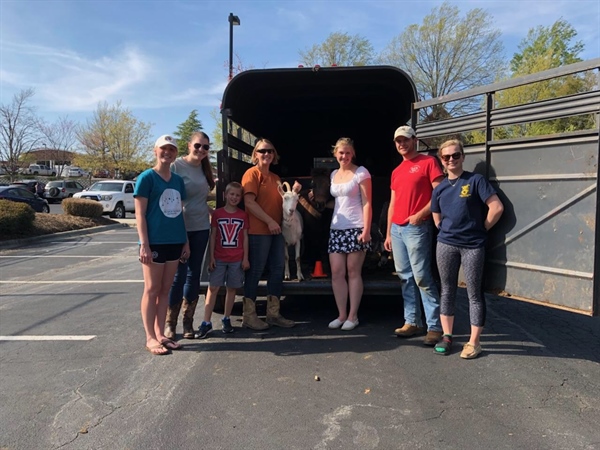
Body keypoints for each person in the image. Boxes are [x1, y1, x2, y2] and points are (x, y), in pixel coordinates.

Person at [430, 139, 504, 359]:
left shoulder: (476, 180)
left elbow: (496, 207)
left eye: (455, 155)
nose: (451, 160)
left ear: (462, 156)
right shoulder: (440, 187)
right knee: (447, 290)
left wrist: (482, 228)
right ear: (441, 160)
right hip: (446, 245)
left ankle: (473, 342)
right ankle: (447, 336)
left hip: (473, 246)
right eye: (446, 157)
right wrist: (442, 228)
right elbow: (436, 214)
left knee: (473, 293)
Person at [383, 126, 444, 346]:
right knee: (405, 277)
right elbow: (393, 203)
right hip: (398, 229)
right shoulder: (397, 170)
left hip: (417, 227)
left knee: (421, 276)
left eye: (406, 140)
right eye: (398, 141)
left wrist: (420, 214)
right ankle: (412, 321)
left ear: (414, 140)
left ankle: (435, 327)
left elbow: (439, 192)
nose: (402, 144)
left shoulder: (428, 163)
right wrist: (389, 232)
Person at [134, 135, 189, 355]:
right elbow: (140, 214)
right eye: (163, 149)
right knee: (151, 289)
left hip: (174, 241)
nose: (168, 153)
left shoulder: (177, 181)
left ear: (176, 154)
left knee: (165, 290)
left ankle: (160, 334)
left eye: (172, 150)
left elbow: (180, 214)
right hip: (154, 242)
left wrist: (185, 241)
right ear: (156, 151)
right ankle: (150, 337)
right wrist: (144, 244)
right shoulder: (147, 178)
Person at [165, 131, 215, 340]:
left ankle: (188, 322)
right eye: (197, 146)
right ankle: (170, 323)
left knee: (194, 275)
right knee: (179, 275)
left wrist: (212, 212)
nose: (201, 150)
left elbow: (202, 198)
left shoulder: (205, 169)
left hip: (201, 227)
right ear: (189, 145)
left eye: (205, 147)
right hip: (180, 228)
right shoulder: (176, 167)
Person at [241, 138, 295, 330]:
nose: (267, 154)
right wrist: (269, 221)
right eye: (262, 151)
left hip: (276, 232)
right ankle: (249, 316)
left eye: (270, 151)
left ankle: (273, 314)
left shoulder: (276, 178)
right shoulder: (251, 174)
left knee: (277, 270)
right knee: (255, 272)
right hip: (258, 232)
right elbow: (249, 203)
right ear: (255, 154)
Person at [327, 137, 372, 331]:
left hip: (356, 228)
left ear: (352, 153)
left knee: (353, 272)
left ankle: (353, 316)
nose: (344, 156)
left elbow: (367, 202)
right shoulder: (333, 174)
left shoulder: (361, 172)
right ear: (335, 154)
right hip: (336, 230)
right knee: (337, 272)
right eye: (340, 152)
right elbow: (338, 202)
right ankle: (341, 314)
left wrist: (367, 230)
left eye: (347, 152)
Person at [197, 182, 250, 338]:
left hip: (236, 258)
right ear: (225, 195)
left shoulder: (243, 215)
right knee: (213, 288)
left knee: (232, 288)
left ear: (241, 198)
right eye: (231, 194)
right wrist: (211, 256)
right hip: (219, 257)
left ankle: (227, 318)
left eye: (237, 195)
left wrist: (245, 257)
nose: (234, 197)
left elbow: (245, 237)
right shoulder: (218, 215)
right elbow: (213, 236)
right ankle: (206, 322)